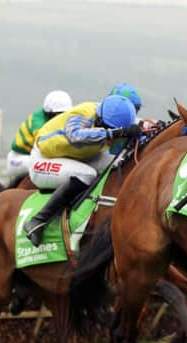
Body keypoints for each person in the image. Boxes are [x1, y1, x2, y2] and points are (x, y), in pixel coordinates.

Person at [23, 94, 141, 246]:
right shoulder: (83, 113)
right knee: (87, 174)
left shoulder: (109, 114)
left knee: (120, 162)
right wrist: (116, 133)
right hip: (43, 158)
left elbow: (138, 124)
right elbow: (75, 136)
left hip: (77, 156)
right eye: (109, 128)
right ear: (99, 119)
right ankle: (37, 221)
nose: (113, 140)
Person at [6, 90, 74, 176]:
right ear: (48, 113)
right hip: (19, 158)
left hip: (35, 155)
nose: (59, 119)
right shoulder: (38, 120)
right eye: (56, 115)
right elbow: (43, 143)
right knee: (45, 165)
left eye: (63, 115)